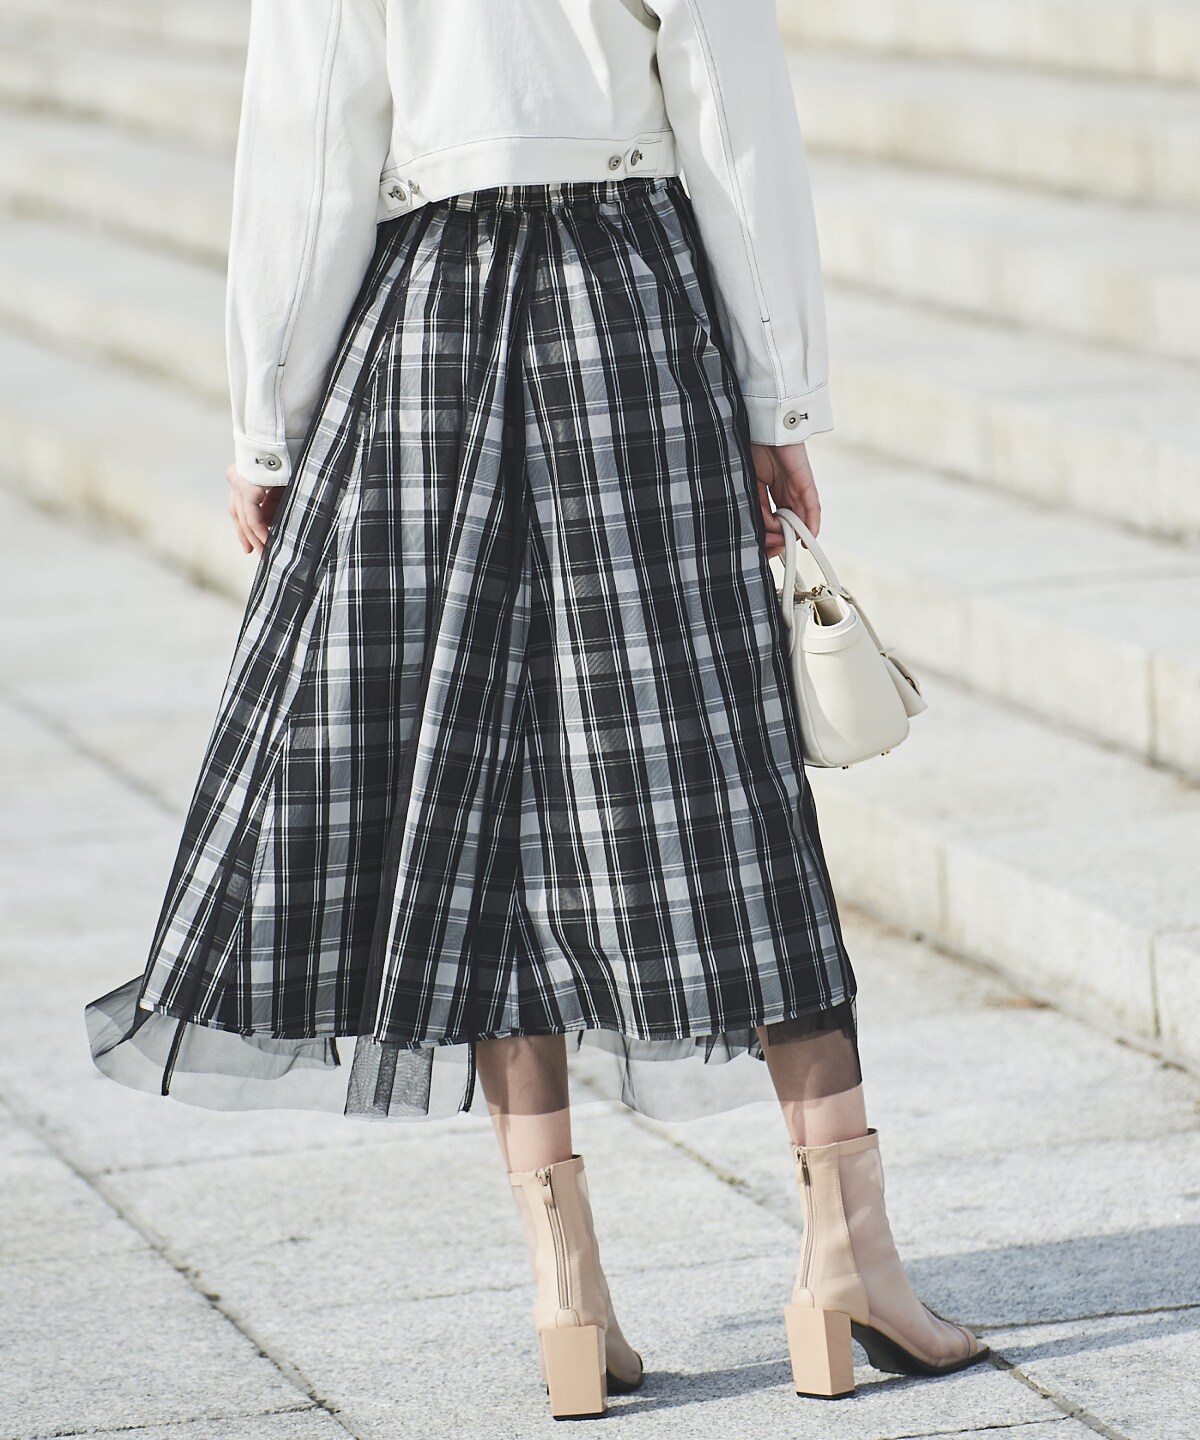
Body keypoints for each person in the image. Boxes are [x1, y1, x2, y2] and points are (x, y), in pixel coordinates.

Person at [84, 0, 988, 1418]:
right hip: (628, 303)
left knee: (482, 801)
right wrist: (781, 395)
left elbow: (312, 135)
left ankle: (569, 1299)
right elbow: (728, 100)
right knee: (721, 788)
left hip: (427, 321)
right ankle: (847, 1262)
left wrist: (267, 417)